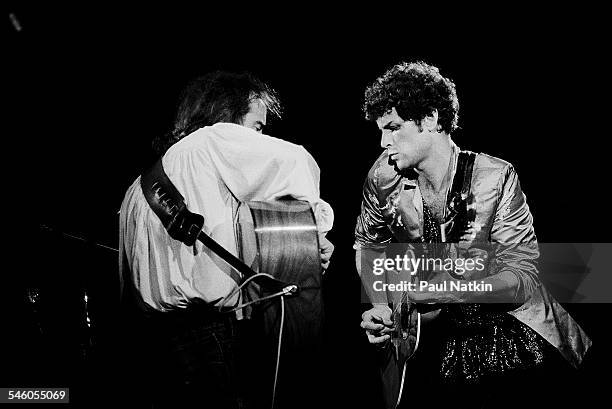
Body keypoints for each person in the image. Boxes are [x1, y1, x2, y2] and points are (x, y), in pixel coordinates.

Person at [355, 61, 591, 408]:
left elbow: (522, 277)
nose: (383, 142)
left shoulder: (495, 177)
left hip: (513, 335)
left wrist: (448, 291)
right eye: (380, 130)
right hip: (440, 339)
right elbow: (368, 243)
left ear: (432, 119)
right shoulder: (382, 177)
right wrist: (383, 310)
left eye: (393, 128)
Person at [118, 71, 334, 408]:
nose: (260, 138)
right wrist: (316, 231)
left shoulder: (136, 189)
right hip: (209, 338)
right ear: (226, 115)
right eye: (257, 127)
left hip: (151, 344)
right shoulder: (213, 140)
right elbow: (297, 162)